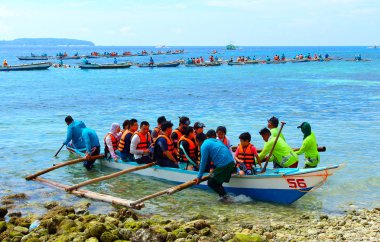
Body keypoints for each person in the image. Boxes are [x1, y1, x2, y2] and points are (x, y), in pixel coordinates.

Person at [194, 129, 235, 200]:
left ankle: (227, 199)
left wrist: (199, 177)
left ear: (198, 141)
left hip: (224, 165)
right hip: (231, 162)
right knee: (217, 182)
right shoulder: (215, 141)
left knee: (211, 182)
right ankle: (224, 198)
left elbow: (203, 162)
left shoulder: (204, 145)